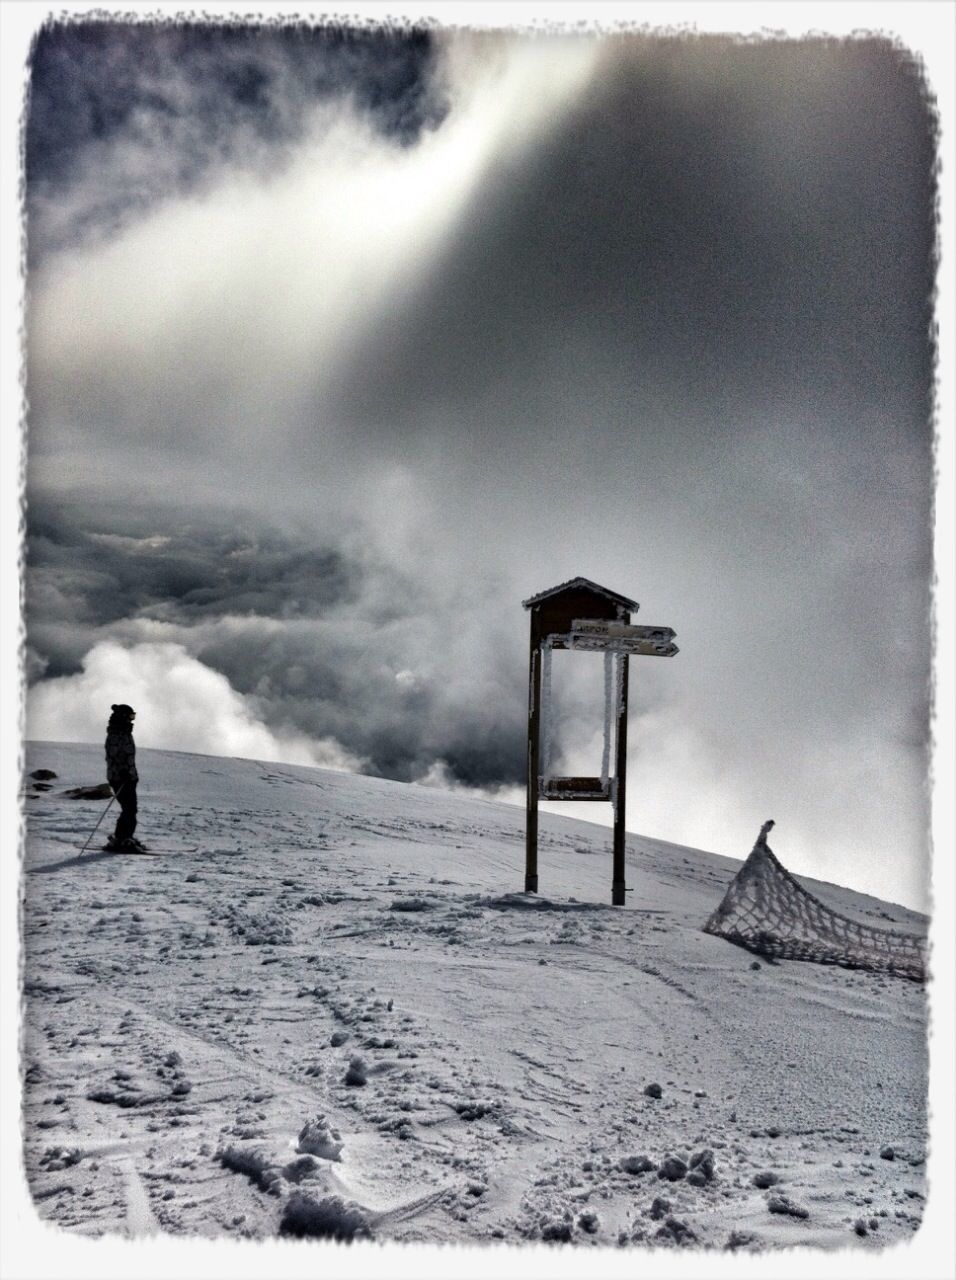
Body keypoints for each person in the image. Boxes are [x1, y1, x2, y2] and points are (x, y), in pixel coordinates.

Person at [103, 703, 146, 852]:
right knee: (129, 808)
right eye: (130, 716)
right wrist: (122, 772)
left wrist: (131, 774)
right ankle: (122, 838)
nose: (132, 720)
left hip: (128, 777)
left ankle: (125, 837)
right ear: (122, 717)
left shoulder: (124, 733)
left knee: (130, 808)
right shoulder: (116, 735)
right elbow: (114, 755)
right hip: (120, 778)